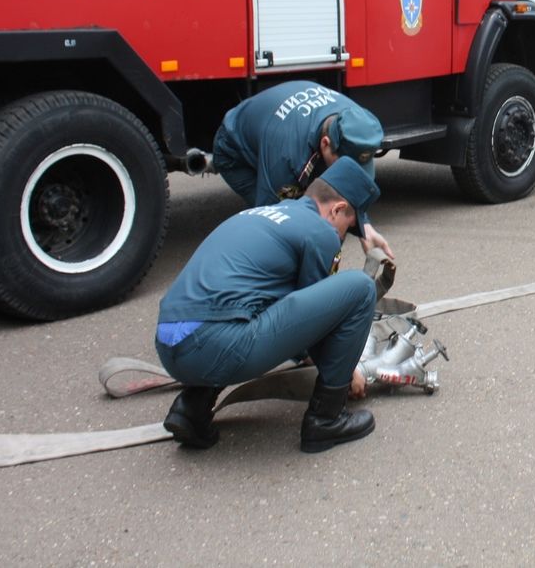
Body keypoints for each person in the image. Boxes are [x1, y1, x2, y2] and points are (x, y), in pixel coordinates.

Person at [155, 156, 380, 453]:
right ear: (337, 209)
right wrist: (347, 370)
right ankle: (326, 420)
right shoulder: (319, 231)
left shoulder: (264, 213)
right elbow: (315, 331)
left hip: (169, 346)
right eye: (347, 226)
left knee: (247, 304)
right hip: (215, 346)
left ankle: (191, 409)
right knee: (361, 288)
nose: (341, 237)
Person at [212, 81, 394, 259]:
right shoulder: (287, 156)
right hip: (234, 151)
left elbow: (348, 188)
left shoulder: (354, 120)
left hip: (285, 131)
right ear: (325, 144)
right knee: (286, 225)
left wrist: (365, 227)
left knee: (321, 214)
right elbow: (272, 215)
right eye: (348, 163)